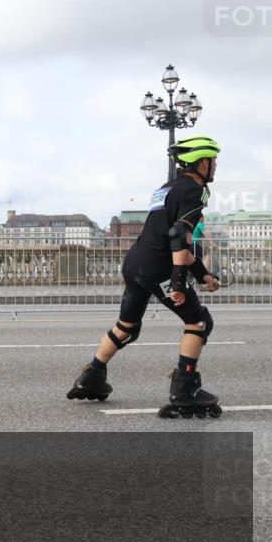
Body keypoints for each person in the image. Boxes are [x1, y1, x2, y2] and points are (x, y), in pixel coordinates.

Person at [67, 135, 223, 418]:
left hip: (135, 263)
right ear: (202, 162)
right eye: (213, 161)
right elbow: (177, 236)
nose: (215, 167)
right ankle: (184, 391)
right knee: (198, 322)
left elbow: (174, 240)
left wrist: (203, 275)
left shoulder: (165, 188)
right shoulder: (196, 191)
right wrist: (177, 283)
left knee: (126, 327)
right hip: (158, 269)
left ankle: (91, 377)